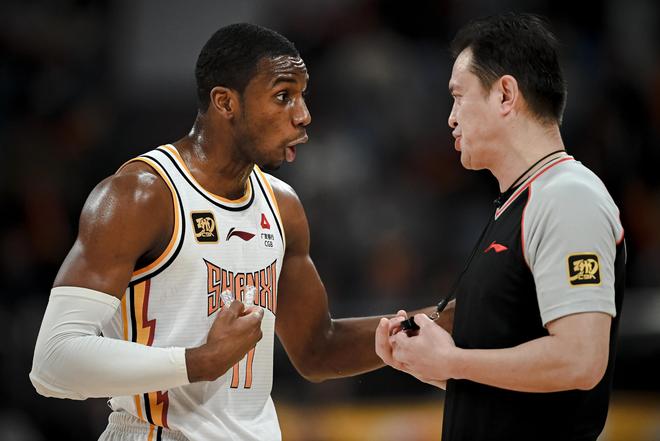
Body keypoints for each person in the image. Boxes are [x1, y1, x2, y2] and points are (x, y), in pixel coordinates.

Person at [29, 23, 399, 441]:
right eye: (283, 96)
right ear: (225, 102)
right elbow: (53, 363)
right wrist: (196, 361)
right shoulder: (141, 195)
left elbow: (318, 350)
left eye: (302, 95)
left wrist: (430, 324)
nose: (303, 115)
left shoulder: (283, 205)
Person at [375, 12, 625, 441]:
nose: (451, 118)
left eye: (458, 97)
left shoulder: (568, 196)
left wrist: (453, 361)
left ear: (506, 95)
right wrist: (425, 362)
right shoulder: (519, 202)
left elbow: (581, 360)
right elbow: (517, 392)